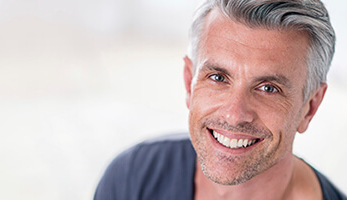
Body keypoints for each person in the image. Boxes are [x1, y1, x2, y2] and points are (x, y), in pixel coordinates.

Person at [94, 0, 347, 199]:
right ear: (189, 84)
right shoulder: (132, 179)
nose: (234, 114)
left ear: (309, 108)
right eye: (217, 77)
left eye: (268, 88)